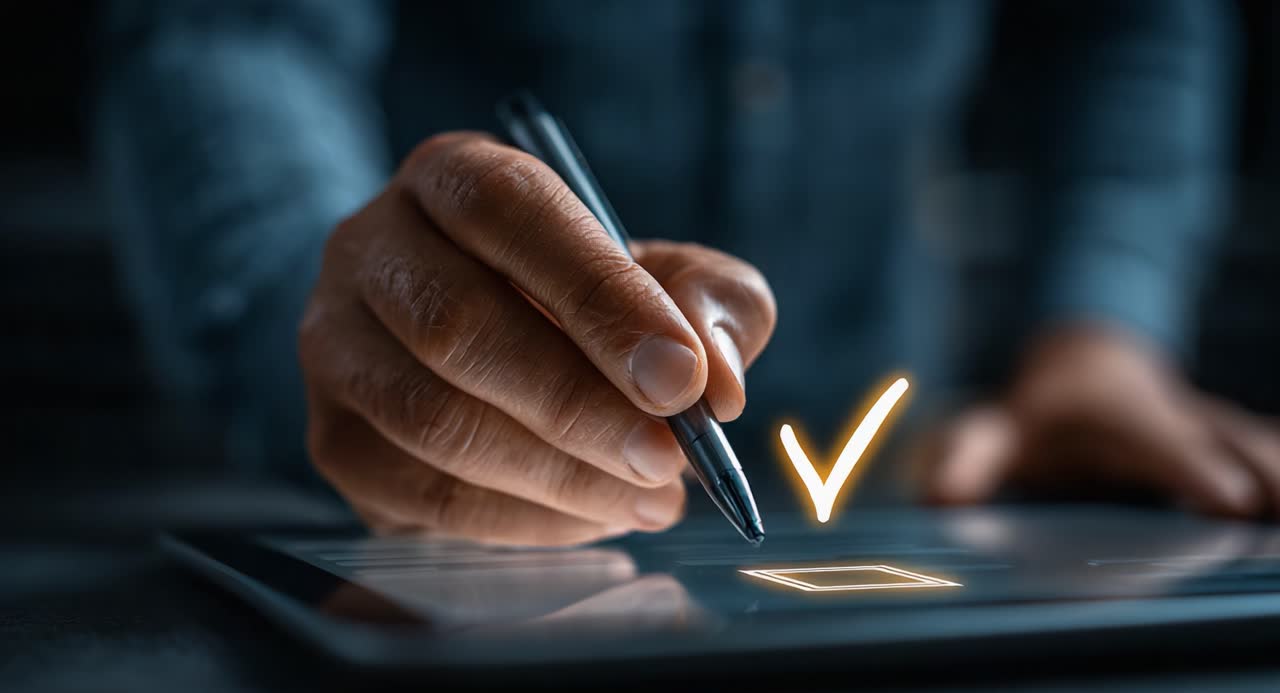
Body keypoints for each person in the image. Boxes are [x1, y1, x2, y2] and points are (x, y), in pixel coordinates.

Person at [95, 0, 1280, 546]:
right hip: (435, 520)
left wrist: (1099, 334)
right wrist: (320, 310)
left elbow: (1128, 22)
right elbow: (226, 36)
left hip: (914, 499)